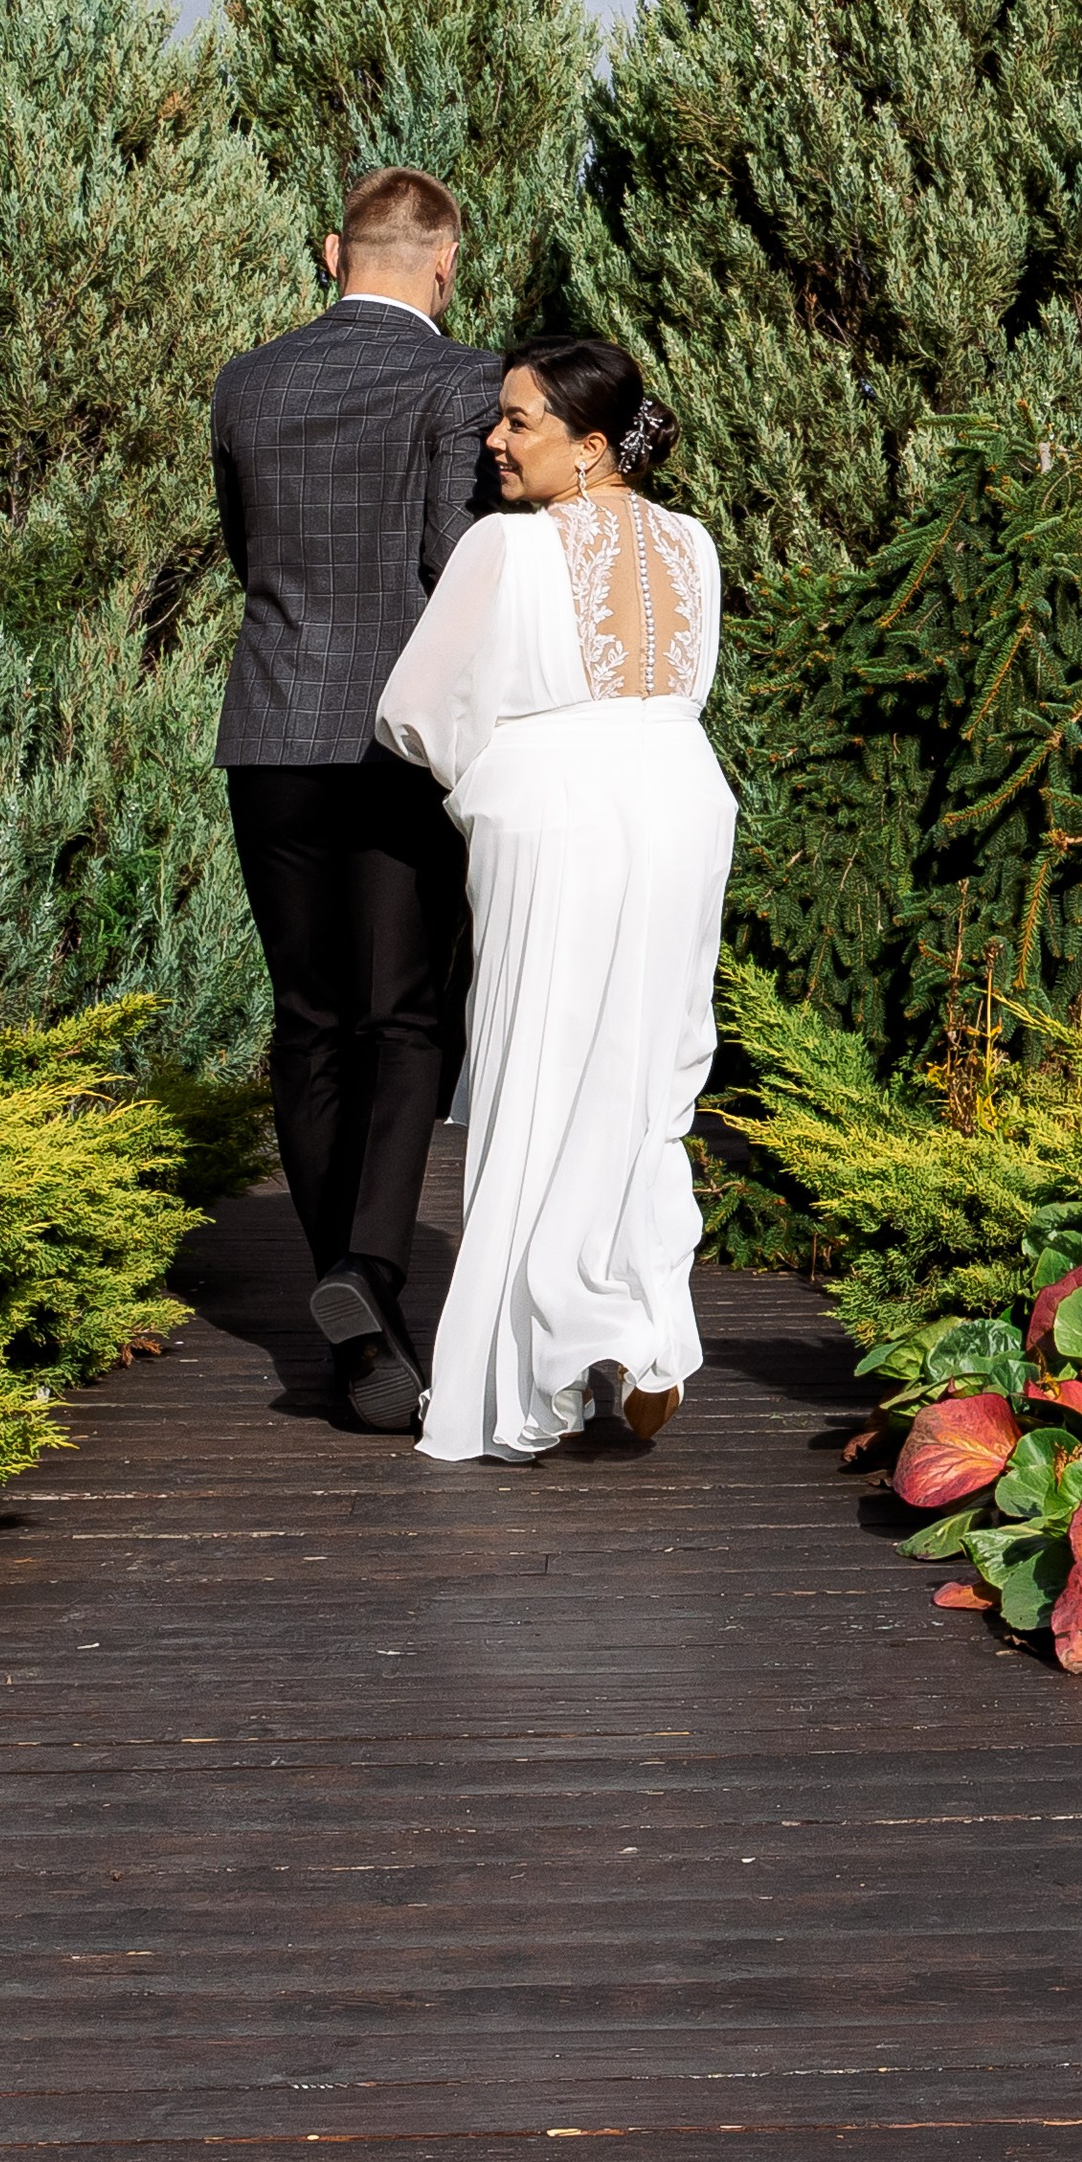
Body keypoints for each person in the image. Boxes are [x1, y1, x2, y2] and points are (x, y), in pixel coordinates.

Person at [374, 336, 735, 1467]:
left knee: (538, 1068)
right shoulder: (692, 544)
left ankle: (544, 1357)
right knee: (642, 1073)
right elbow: (688, 684)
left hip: (554, 813)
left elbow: (419, 714)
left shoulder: (504, 548)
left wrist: (491, 777)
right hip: (679, 803)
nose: (493, 439)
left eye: (517, 421)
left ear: (587, 447)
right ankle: (633, 1332)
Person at [211, 166, 505, 1427]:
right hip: (400, 740)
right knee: (404, 1024)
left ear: (332, 252)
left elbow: (246, 552)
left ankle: (353, 1338)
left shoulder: (247, 381)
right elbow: (462, 565)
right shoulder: (465, 382)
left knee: (309, 1019)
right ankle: (365, 1273)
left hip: (271, 730)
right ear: (445, 262)